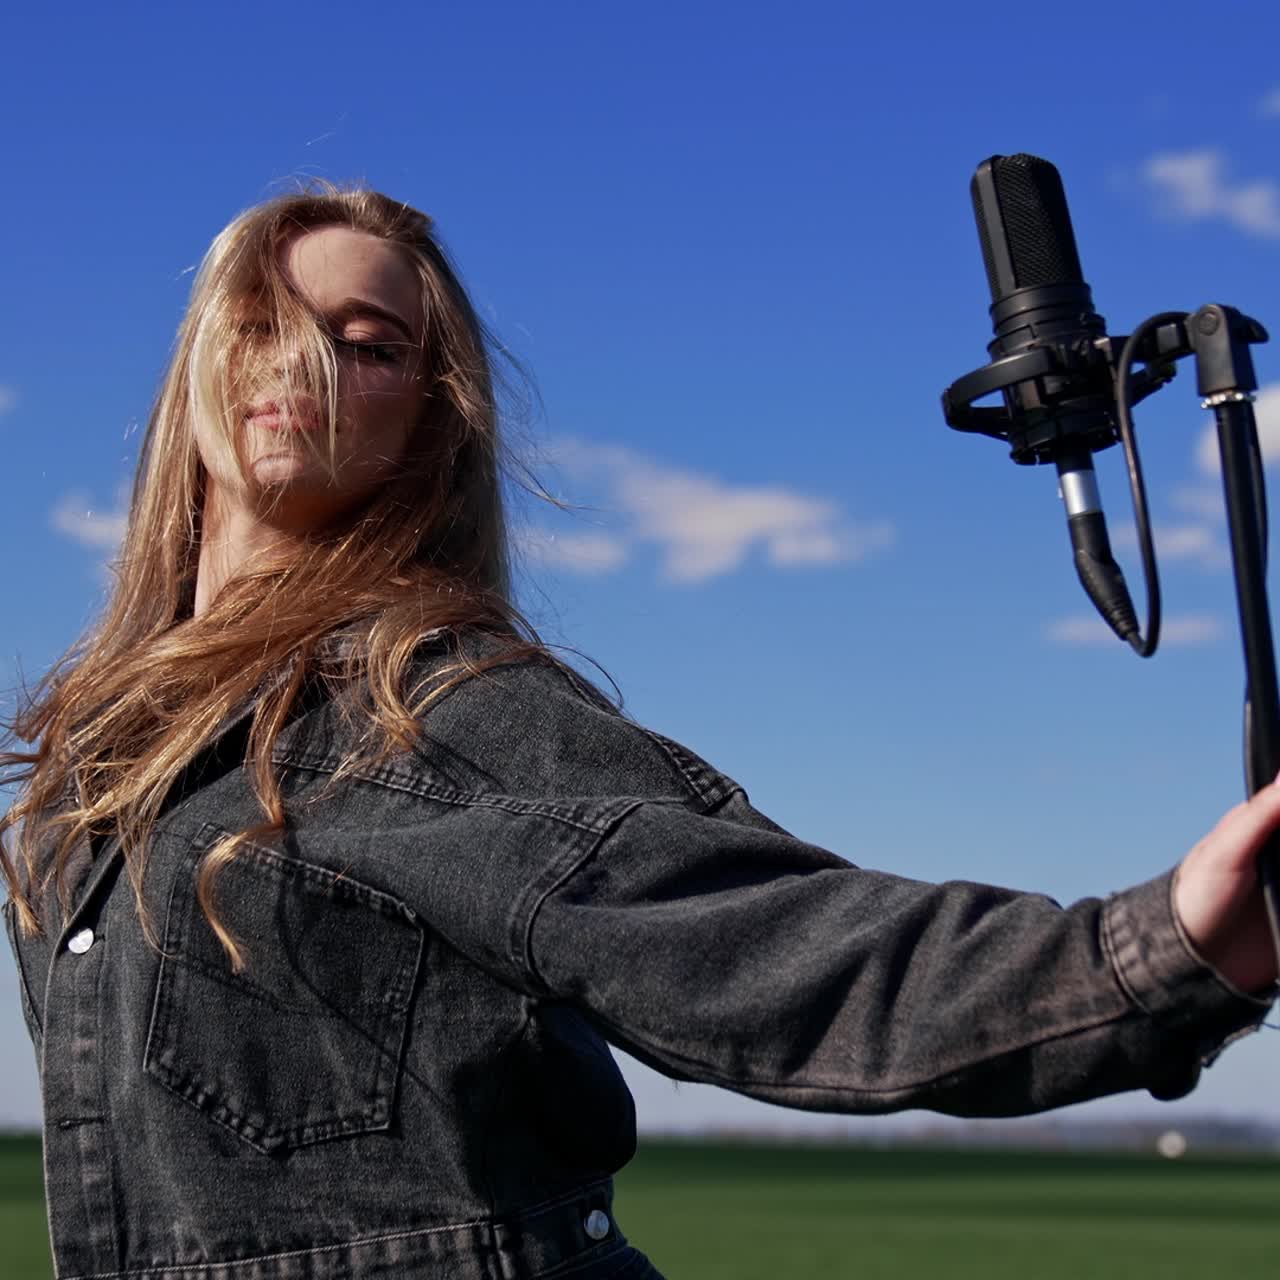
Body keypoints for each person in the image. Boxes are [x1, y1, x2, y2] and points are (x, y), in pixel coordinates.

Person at [2, 184, 1277, 1280]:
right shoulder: (92, 762)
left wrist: (1159, 945)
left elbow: (770, 943)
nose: (306, 361)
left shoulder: (430, 699)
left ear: (429, 426)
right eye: (264, 320)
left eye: (369, 342)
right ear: (198, 363)